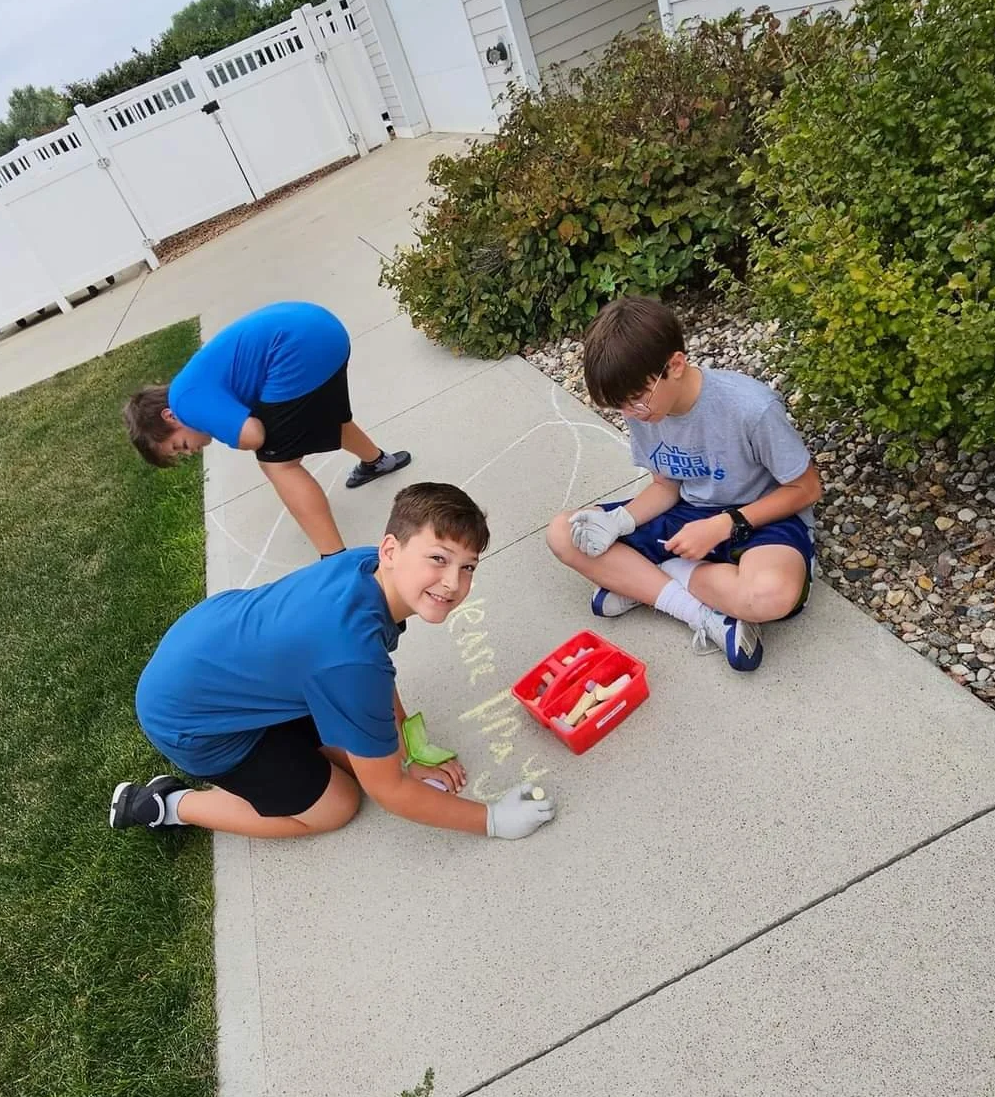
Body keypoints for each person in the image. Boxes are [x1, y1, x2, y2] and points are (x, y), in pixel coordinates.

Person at [110, 483, 555, 842]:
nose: (453, 582)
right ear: (390, 550)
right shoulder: (350, 661)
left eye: (468, 567)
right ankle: (166, 804)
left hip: (214, 660)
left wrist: (408, 752)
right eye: (438, 558)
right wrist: (491, 820)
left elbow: (371, 670)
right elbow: (390, 791)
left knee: (361, 755)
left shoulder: (365, 566)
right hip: (194, 721)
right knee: (337, 805)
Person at [547, 297, 821, 673]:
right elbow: (665, 485)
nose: (630, 414)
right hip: (687, 513)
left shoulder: (750, 408)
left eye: (635, 401)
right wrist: (620, 521)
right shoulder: (645, 408)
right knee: (565, 533)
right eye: (620, 407)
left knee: (771, 595)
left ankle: (647, 580)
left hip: (761, 518)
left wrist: (724, 524)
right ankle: (702, 615)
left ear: (675, 365)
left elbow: (807, 489)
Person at [122, 301, 411, 557]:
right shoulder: (190, 384)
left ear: (170, 417)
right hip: (324, 331)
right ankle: (377, 461)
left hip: (298, 351)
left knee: (277, 464)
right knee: (329, 419)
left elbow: (254, 436)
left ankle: (333, 558)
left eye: (180, 445)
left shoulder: (184, 402)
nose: (191, 451)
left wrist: (239, 435)